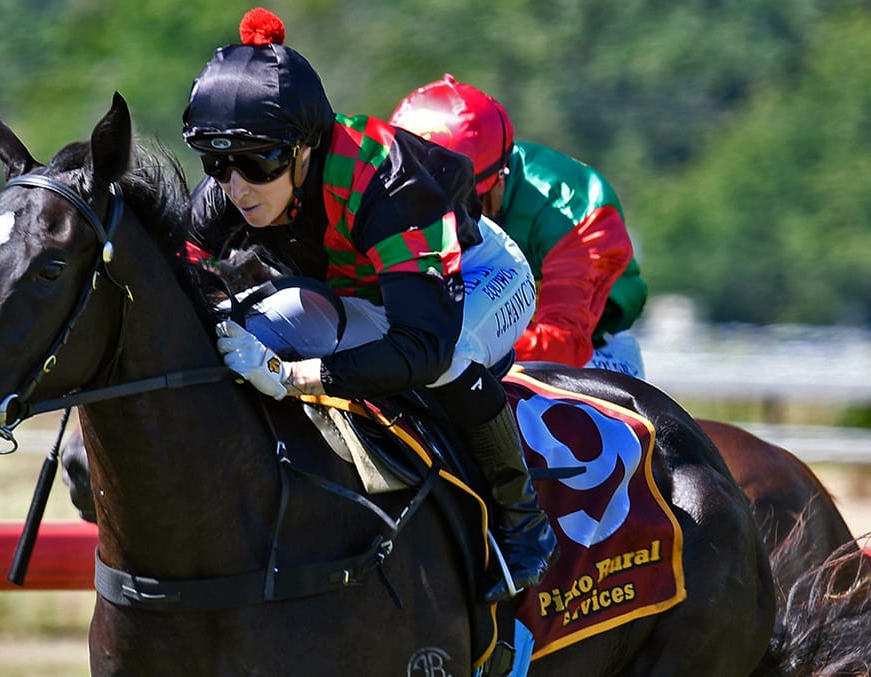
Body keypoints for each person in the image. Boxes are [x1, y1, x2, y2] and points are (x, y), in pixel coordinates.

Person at [182, 8, 556, 602]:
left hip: (477, 278)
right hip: (367, 288)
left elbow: (420, 347)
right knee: (248, 320)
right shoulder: (233, 186)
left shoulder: (383, 182)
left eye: (257, 162)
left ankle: (524, 520)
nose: (237, 185)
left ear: (304, 149)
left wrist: (295, 376)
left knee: (449, 357)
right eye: (216, 163)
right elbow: (179, 285)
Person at [390, 75, 649, 379]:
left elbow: (564, 345)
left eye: (463, 205)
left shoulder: (573, 211)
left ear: (500, 177)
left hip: (591, 353)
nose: (446, 224)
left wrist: (449, 341)